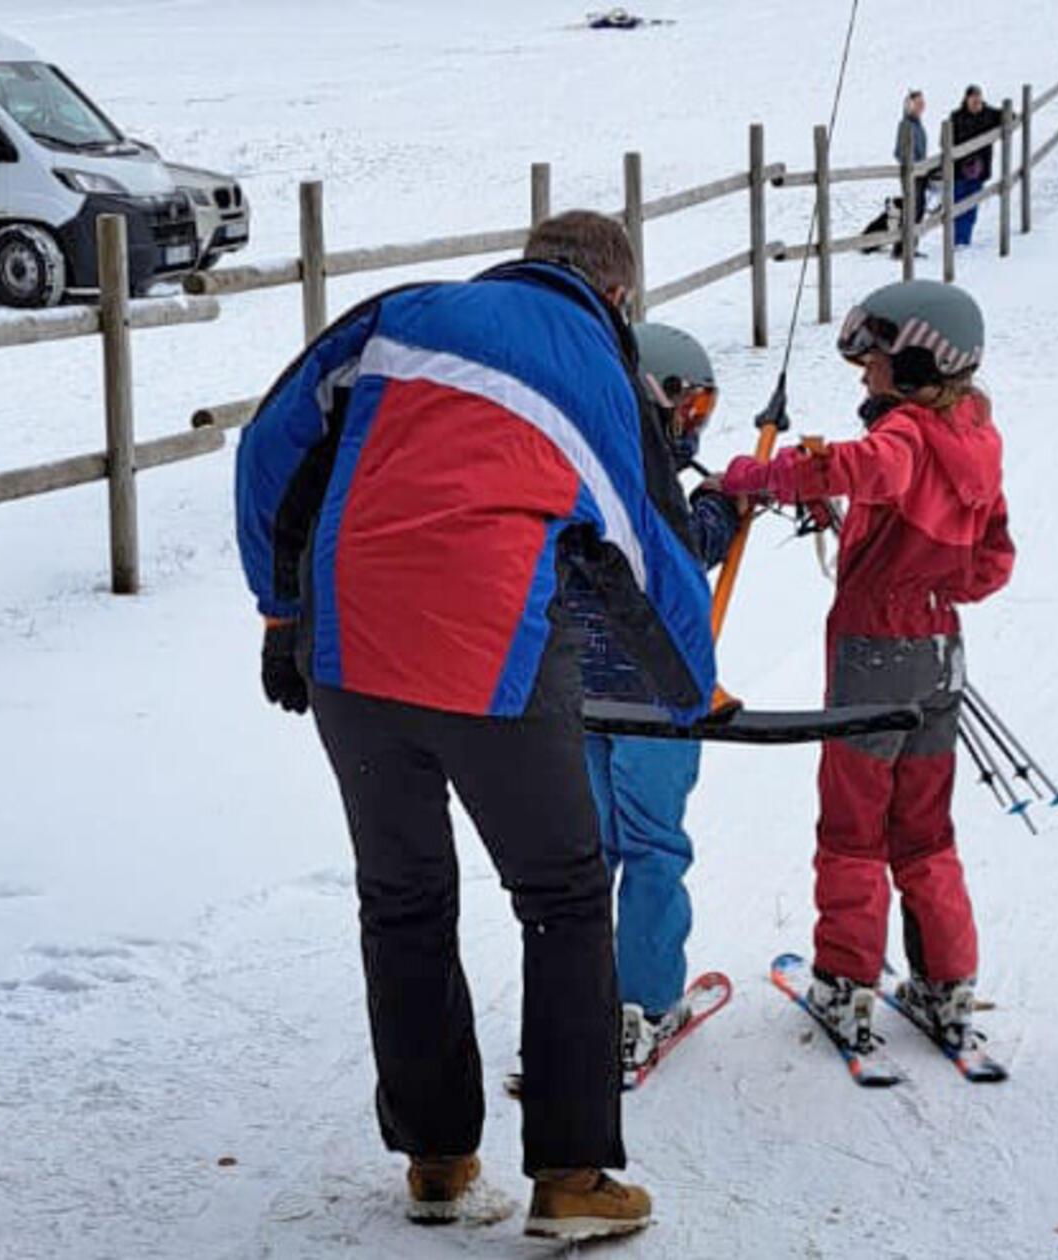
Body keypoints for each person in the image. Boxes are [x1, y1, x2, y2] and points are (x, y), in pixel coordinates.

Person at [234, 210, 719, 1241]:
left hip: (348, 654)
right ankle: (571, 1176)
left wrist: (280, 611)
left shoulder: (400, 313)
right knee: (564, 897)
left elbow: (270, 448)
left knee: (402, 899)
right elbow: (651, 547)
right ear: (619, 297)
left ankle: (437, 1159)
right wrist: (688, 695)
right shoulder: (598, 369)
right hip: (488, 656)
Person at [713, 279, 1014, 1058]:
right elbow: (990, 566)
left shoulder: (908, 434)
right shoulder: (975, 436)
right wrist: (923, 572)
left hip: (872, 652)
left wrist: (761, 476)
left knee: (852, 828)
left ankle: (844, 987)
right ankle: (945, 987)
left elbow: (863, 467)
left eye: (874, 361)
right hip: (938, 652)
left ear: (916, 359)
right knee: (923, 828)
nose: (863, 374)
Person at [563, 323, 738, 1077]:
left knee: (590, 848)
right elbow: (678, 549)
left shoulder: (571, 460)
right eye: (693, 405)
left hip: (575, 697)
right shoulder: (647, 475)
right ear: (661, 399)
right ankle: (644, 997)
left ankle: (575, 997)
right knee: (653, 848)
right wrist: (723, 509)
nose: (696, 422)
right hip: (655, 702)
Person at [946, 86, 1003, 248]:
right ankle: (957, 240)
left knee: (971, 207)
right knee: (957, 205)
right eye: (973, 100)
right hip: (958, 171)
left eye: (978, 100)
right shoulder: (956, 116)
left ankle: (963, 241)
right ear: (966, 100)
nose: (976, 103)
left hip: (978, 171)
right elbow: (946, 141)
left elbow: (1009, 116)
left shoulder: (989, 114)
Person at [894, 90, 932, 228]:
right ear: (909, 106)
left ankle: (911, 247)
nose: (921, 106)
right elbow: (898, 152)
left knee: (919, 210)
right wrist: (914, 165)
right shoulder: (906, 125)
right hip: (911, 174)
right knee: (912, 210)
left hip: (920, 173)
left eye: (922, 103)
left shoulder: (918, 125)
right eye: (917, 103)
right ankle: (902, 248)